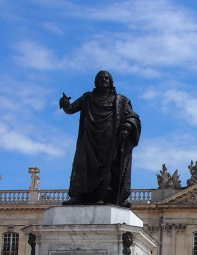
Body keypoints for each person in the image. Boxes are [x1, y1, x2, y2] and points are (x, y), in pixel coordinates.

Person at [59, 70, 142, 207]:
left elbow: (133, 116)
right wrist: (66, 104)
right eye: (101, 78)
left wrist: (126, 126)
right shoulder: (88, 98)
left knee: (108, 168)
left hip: (110, 139)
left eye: (106, 78)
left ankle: (102, 197)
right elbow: (71, 109)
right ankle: (78, 196)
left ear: (111, 82)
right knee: (82, 164)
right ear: (96, 82)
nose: (104, 80)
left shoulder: (120, 101)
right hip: (89, 137)